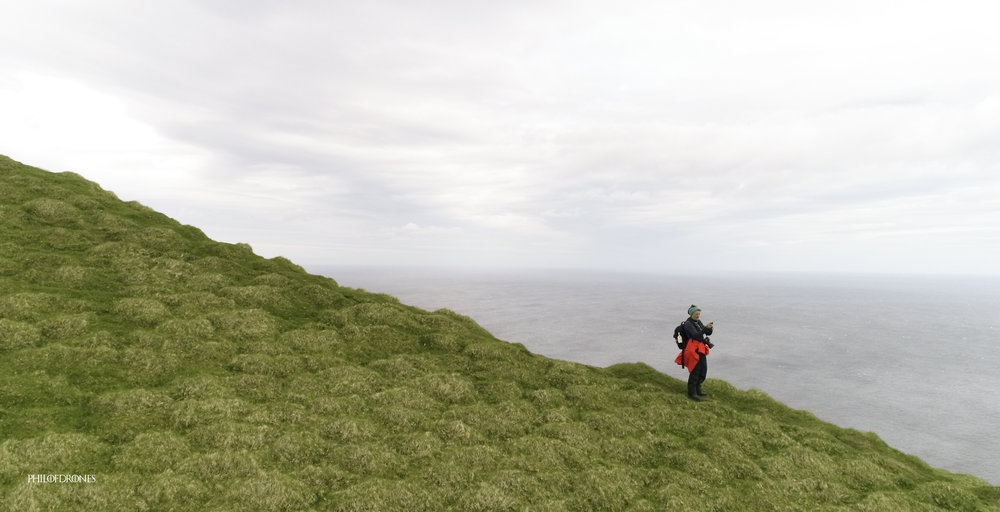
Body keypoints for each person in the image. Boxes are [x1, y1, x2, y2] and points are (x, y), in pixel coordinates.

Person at [675, 305, 714, 401]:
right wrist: (705, 329)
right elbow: (695, 335)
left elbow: (705, 333)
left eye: (699, 314)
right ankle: (692, 393)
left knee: (703, 369)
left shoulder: (698, 322)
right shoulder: (688, 324)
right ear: (692, 314)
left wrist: (709, 329)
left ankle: (698, 389)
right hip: (692, 348)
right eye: (696, 314)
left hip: (700, 348)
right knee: (695, 370)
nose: (698, 315)